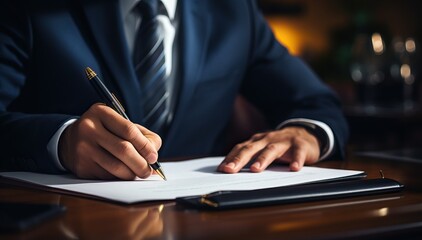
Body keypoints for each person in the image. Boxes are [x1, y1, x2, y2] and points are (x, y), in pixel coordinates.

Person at [0, 0, 348, 180]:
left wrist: (306, 132)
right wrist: (61, 142)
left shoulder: (234, 11)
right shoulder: (30, 8)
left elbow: (317, 103)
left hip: (204, 221)